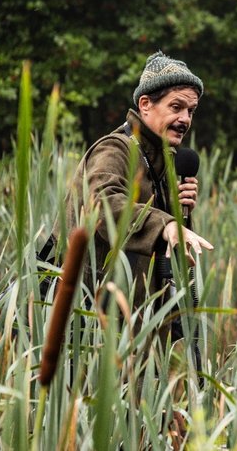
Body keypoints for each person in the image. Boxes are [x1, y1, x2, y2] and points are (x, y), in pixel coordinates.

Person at [59, 51, 213, 341]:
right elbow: (103, 203)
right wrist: (164, 224)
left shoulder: (162, 162)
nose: (184, 119)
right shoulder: (114, 150)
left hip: (139, 327)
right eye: (176, 107)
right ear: (145, 105)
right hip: (90, 327)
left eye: (190, 111)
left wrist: (178, 214)